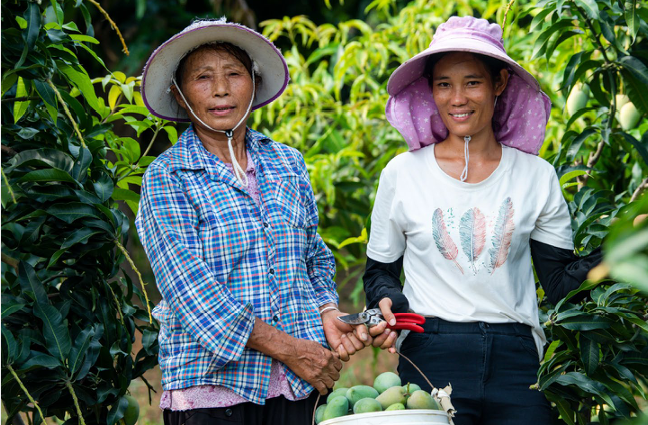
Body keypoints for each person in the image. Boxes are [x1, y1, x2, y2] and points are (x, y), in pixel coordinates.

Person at [363, 16, 603, 425]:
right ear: (431, 90)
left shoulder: (535, 176)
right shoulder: (402, 174)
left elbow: (560, 282)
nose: (457, 98)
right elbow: (379, 272)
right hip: (431, 352)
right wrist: (386, 304)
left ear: (500, 83)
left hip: (519, 362)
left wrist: (626, 244)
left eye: (472, 82)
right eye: (443, 84)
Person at [136, 18, 369, 425]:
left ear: (254, 84)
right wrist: (290, 349)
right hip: (214, 395)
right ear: (179, 93)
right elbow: (191, 292)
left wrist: (328, 311)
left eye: (233, 74)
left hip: (299, 387)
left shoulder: (287, 162)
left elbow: (313, 255)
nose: (221, 89)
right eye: (203, 78)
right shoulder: (167, 176)